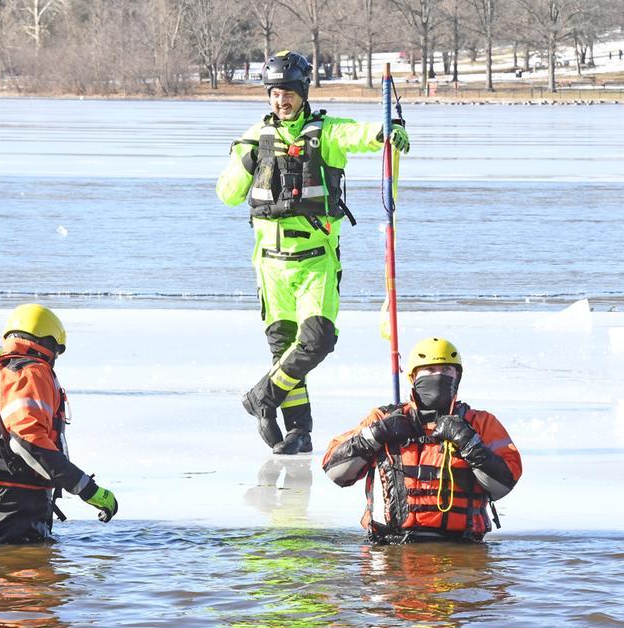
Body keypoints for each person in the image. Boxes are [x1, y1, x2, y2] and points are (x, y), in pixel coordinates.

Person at [216, 50, 411, 455]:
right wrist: (248, 159)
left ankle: (261, 396)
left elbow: (361, 134)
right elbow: (227, 194)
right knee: (283, 348)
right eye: (274, 93)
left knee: (317, 338)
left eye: (288, 92)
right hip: (270, 264)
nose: (281, 100)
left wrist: (388, 131)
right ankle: (299, 431)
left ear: (303, 93)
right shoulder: (254, 137)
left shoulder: (328, 132)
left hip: (316, 261)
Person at [0, 304, 118, 544]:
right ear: (48, 343)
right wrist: (87, 488)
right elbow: (27, 441)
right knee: (26, 578)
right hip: (8, 506)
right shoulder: (27, 370)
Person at [323, 337, 522, 544]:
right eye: (429, 370)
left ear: (458, 376)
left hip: (461, 547)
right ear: (413, 376)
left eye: (446, 371)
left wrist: (469, 442)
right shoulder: (383, 418)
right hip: (389, 548)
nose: (438, 376)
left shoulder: (480, 423)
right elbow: (334, 470)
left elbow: (504, 484)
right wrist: (376, 435)